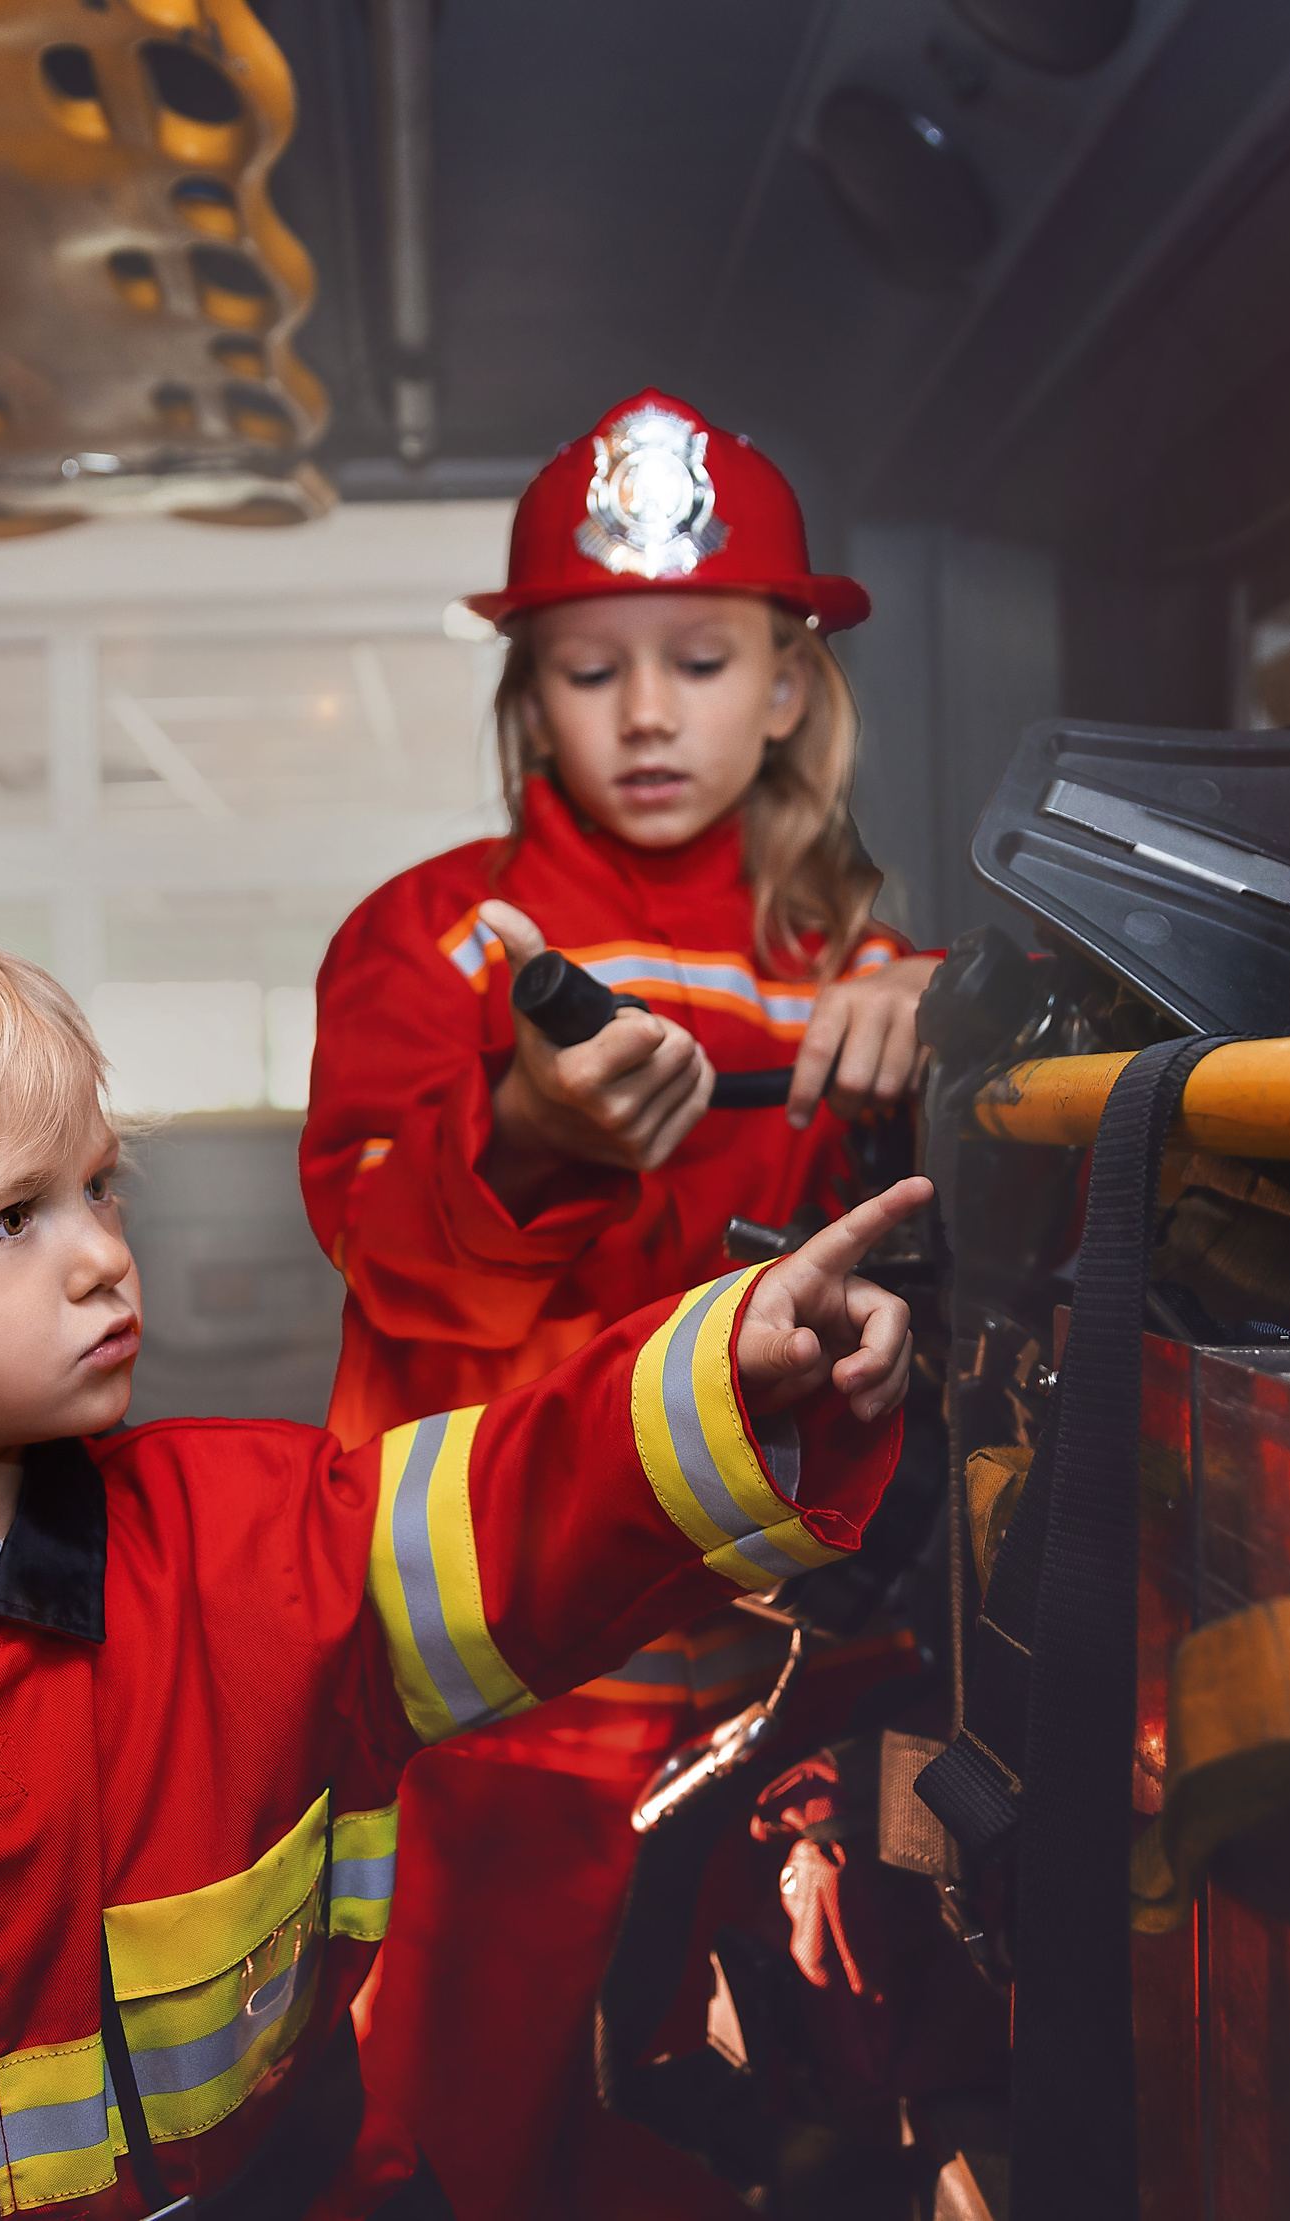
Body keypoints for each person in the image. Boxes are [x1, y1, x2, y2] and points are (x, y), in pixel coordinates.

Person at [0, 925, 929, 2220]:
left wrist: (738, 1373)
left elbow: (525, 1509)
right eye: (8, 1219)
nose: (105, 1254)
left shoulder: (262, 1528)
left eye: (98, 1187)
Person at [299, 392, 941, 2221]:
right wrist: (524, 1126)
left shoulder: (866, 965)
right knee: (457, 2142)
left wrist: (951, 1054)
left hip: (775, 1694)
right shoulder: (436, 942)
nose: (647, 713)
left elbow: (919, 1263)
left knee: (738, 2132)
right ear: (529, 694)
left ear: (791, 682)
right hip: (495, 1693)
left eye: (700, 657)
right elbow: (386, 1252)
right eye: (590, 668)